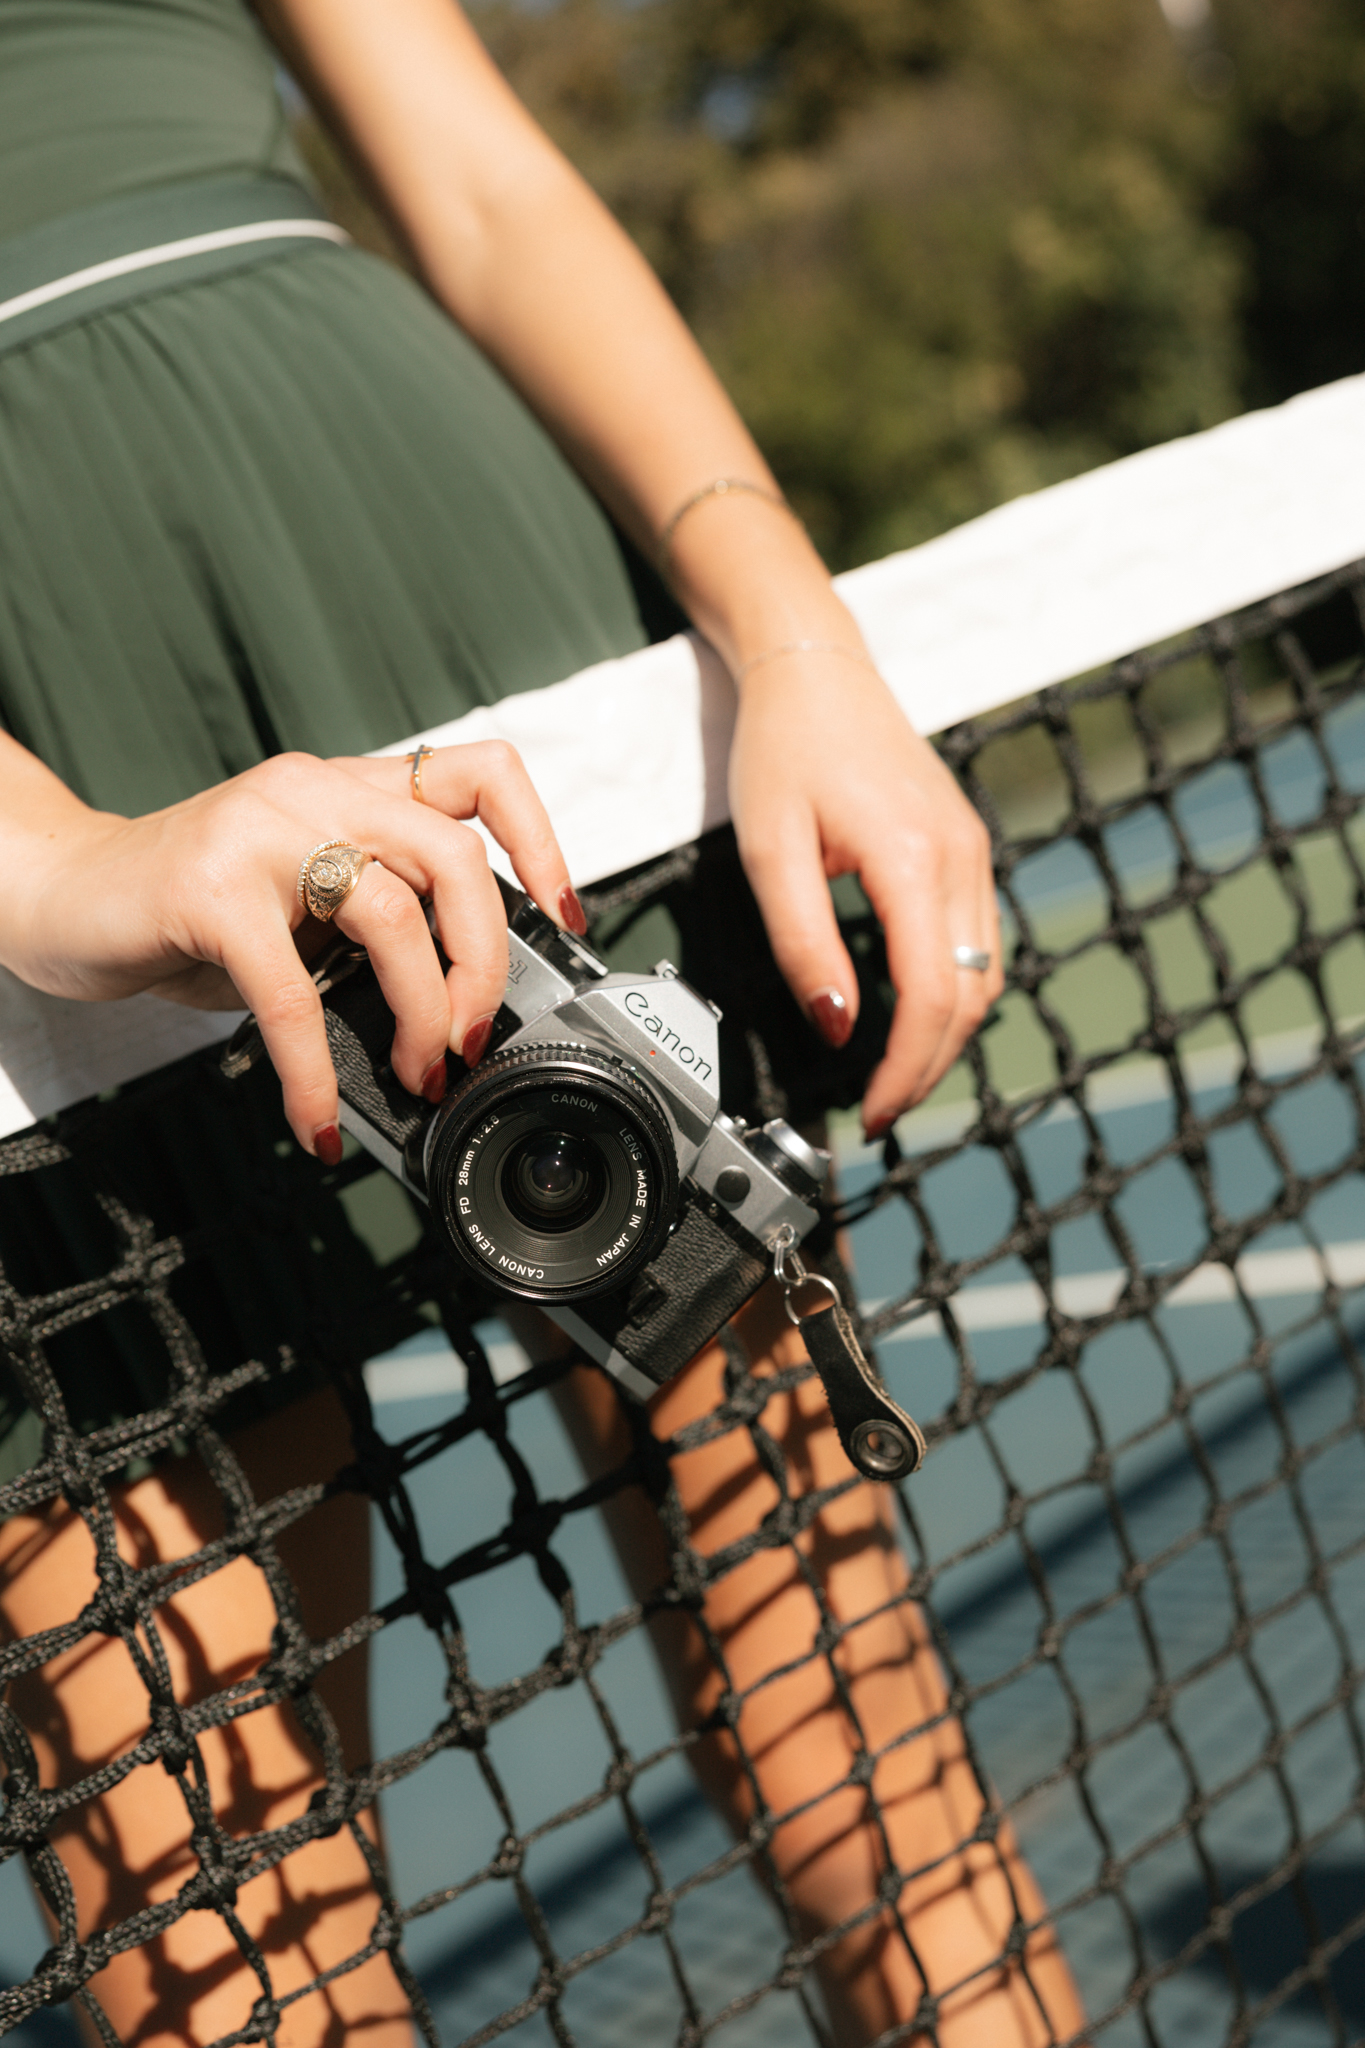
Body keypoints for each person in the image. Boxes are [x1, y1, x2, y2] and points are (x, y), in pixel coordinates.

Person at [0, 1, 1082, 2042]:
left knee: (858, 1747)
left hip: (436, 596)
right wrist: (51, 868)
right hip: (35, 834)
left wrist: (796, 636)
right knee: (235, 1956)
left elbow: (477, 174)